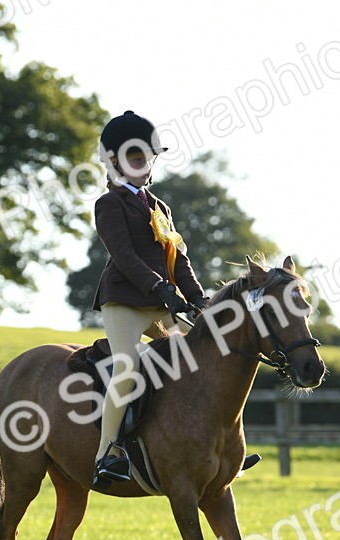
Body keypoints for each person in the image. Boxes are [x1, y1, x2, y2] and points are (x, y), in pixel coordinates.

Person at [90, 110, 209, 488]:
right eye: (138, 158)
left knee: (204, 361)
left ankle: (209, 449)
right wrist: (161, 289)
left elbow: (180, 258)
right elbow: (125, 256)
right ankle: (107, 453)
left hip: (162, 300)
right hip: (125, 300)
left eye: (149, 158)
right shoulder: (108, 205)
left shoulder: (160, 206)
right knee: (126, 369)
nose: (146, 166)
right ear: (114, 162)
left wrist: (198, 298)